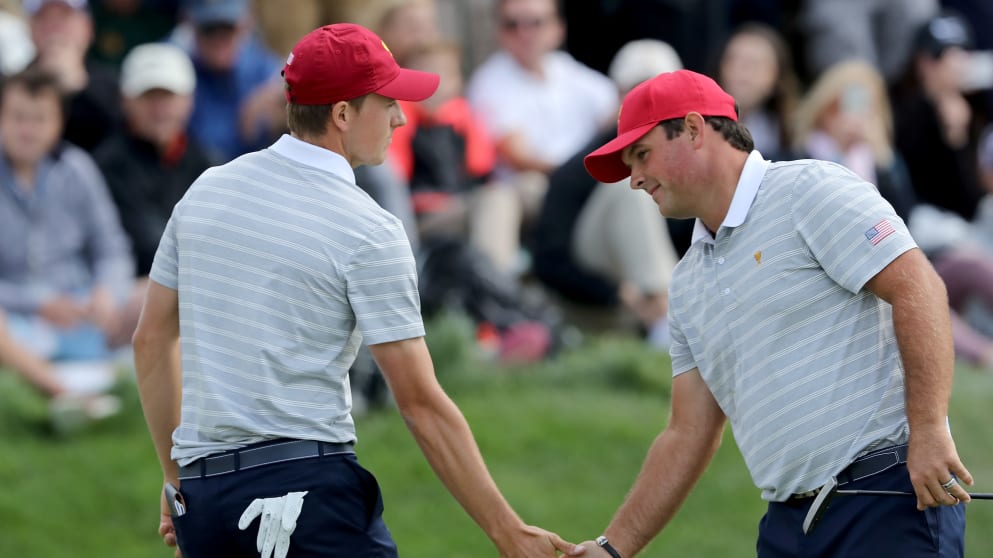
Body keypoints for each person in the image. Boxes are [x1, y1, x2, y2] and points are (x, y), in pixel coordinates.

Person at [133, 22, 583, 558]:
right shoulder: (370, 229)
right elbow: (420, 404)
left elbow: (150, 342)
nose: (400, 116)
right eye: (387, 102)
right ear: (343, 115)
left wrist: (176, 481)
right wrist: (508, 531)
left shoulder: (206, 190)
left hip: (207, 506)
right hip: (308, 497)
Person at [576, 69, 971, 557]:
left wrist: (930, 430)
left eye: (642, 155)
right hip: (789, 527)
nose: (634, 179)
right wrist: (612, 548)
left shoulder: (810, 189)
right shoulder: (687, 281)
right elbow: (688, 431)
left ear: (696, 130)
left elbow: (919, 289)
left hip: (888, 496)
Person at [0, 67, 132, 428]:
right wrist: (39, 304)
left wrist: (106, 293)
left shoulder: (78, 169)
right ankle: (66, 395)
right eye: (18, 118)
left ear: (58, 123)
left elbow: (111, 247)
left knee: (156, 293)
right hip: (18, 319)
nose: (28, 129)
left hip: (83, 308)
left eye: (39, 118)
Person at [531, 38, 682, 348]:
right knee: (631, 190)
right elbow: (548, 258)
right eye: (638, 91)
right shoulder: (581, 165)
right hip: (594, 299)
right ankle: (665, 322)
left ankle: (668, 321)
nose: (650, 102)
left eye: (659, 92)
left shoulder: (688, 162)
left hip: (662, 287)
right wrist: (616, 292)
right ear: (619, 95)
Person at [93, 42, 211, 338]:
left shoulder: (210, 163)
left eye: (168, 97)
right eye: (148, 97)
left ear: (189, 101)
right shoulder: (105, 164)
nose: (159, 109)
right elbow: (149, 244)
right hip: (132, 297)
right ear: (126, 101)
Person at [24, 0, 123, 151]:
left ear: (87, 27)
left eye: (64, 18)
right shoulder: (12, 85)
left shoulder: (111, 85)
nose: (55, 29)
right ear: (31, 28)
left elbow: (118, 138)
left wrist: (78, 86)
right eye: (45, 18)